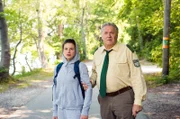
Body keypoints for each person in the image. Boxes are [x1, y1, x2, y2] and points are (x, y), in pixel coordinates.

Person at [89, 23, 147, 119]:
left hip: (123, 97)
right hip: (104, 99)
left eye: (112, 32)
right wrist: (91, 81)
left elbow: (137, 76)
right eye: (106, 33)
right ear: (101, 35)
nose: (109, 35)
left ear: (117, 34)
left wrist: (138, 101)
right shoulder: (97, 53)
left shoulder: (127, 50)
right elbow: (95, 73)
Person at [52, 39, 92, 119]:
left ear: (75, 50)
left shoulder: (80, 66)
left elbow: (88, 89)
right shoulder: (58, 68)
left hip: (76, 111)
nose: (68, 51)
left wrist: (85, 111)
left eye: (71, 49)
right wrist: (55, 112)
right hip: (61, 111)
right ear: (63, 50)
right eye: (66, 49)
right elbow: (55, 89)